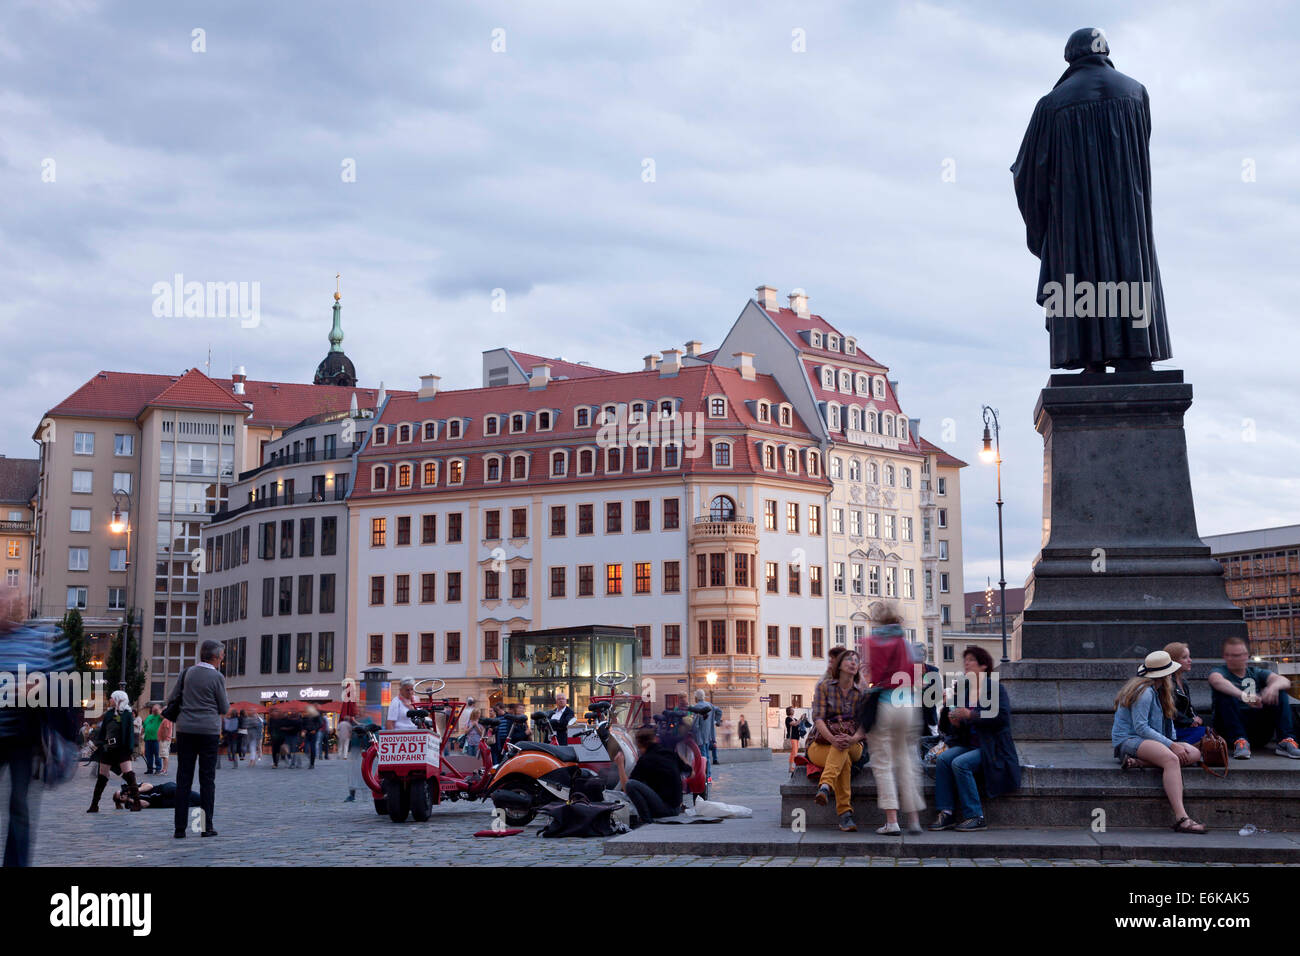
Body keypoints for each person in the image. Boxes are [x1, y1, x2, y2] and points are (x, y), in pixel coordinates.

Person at [1, 619, 77, 866]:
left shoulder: (35, 640)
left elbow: (61, 683)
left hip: (21, 736)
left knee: (19, 805)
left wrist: (38, 688)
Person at [1111, 650, 1205, 833]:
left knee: (1194, 753)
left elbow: (1166, 724)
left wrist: (1174, 743)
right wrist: (1172, 746)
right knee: (1172, 759)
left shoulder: (1160, 690)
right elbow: (1141, 728)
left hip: (1148, 741)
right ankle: (1182, 818)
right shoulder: (1144, 693)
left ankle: (1138, 763)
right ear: (1166, 674)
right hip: (1130, 740)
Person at [930, 646, 1022, 832]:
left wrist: (970, 715)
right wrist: (954, 721)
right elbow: (955, 729)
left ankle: (975, 815)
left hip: (993, 747)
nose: (966, 663)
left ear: (983, 665)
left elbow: (1001, 717)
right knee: (943, 760)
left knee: (960, 763)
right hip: (970, 744)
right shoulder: (965, 691)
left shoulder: (995, 688)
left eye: (971, 659)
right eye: (965, 660)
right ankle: (946, 812)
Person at [862, 604, 924, 835]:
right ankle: (915, 820)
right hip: (907, 703)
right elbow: (918, 673)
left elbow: (871, 675)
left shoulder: (870, 642)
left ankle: (892, 822)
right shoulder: (906, 643)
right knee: (907, 760)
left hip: (885, 703)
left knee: (883, 762)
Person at [165, 640, 229, 838]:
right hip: (208, 731)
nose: (223, 658)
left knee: (184, 779)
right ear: (216, 657)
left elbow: (171, 699)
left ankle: (179, 828)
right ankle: (204, 826)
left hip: (185, 730)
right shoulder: (217, 677)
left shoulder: (186, 673)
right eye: (222, 655)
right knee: (206, 780)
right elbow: (224, 708)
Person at [1208, 636, 1300, 759]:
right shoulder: (1220, 671)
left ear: (1246, 656)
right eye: (1228, 655)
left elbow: (1283, 681)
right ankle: (1239, 741)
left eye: (1236, 655)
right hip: (1229, 731)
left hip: (1259, 730)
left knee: (1279, 690)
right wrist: (1243, 696)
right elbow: (1216, 680)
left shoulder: (1255, 672)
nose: (1231, 659)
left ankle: (1285, 740)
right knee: (1224, 694)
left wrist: (1271, 689)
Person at [808, 646, 867, 832]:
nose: (853, 663)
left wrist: (853, 738)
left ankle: (825, 786)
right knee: (843, 757)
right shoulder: (824, 688)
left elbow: (866, 725)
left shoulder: (861, 693)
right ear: (839, 664)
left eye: (856, 661)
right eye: (849, 659)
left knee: (844, 748)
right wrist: (834, 739)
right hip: (821, 744)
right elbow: (818, 719)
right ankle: (845, 815)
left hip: (854, 743)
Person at [88, 691, 143, 813]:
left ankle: (137, 803)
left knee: (129, 775)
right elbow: (103, 730)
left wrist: (130, 750)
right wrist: (100, 744)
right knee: (102, 776)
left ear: (118, 699)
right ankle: (94, 805)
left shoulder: (127, 714)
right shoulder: (108, 714)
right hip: (108, 748)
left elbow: (129, 733)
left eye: (112, 698)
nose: (110, 700)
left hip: (122, 749)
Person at [624, 726, 690, 827]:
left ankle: (646, 820)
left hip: (665, 810)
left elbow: (626, 788)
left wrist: (620, 765)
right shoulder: (669, 753)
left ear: (639, 744)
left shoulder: (645, 760)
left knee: (631, 784)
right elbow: (690, 772)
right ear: (655, 739)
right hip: (676, 807)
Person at [1163, 642, 1206, 746]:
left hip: (1183, 727)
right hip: (1170, 729)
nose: (1190, 660)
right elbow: (1169, 710)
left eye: (1189, 657)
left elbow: (1189, 707)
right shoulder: (1167, 683)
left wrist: (1195, 718)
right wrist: (1190, 721)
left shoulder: (1183, 683)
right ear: (1173, 661)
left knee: (1207, 733)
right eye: (1184, 657)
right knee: (1203, 734)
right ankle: (1175, 749)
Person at [113, 780, 200, 810]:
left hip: (163, 789)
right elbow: (146, 804)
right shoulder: (130, 804)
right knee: (186, 803)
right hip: (162, 802)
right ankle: (202, 801)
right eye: (121, 796)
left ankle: (202, 798)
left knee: (183, 793)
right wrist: (130, 799)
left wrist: (135, 791)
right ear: (121, 800)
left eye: (121, 791)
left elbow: (149, 786)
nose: (122, 793)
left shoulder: (131, 787)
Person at [142, 705, 163, 775]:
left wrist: (159, 711)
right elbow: (144, 726)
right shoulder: (149, 717)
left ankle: (158, 769)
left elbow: (164, 716)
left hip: (156, 739)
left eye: (156, 709)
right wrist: (141, 733)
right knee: (148, 755)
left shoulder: (160, 717)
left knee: (157, 755)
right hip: (148, 739)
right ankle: (149, 769)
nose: (154, 710)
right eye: (154, 708)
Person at [784, 706, 800, 771]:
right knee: (794, 752)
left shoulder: (795, 719)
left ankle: (792, 767)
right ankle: (790, 767)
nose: (793, 711)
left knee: (795, 752)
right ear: (789, 711)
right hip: (792, 737)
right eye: (792, 710)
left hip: (796, 737)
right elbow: (795, 724)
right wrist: (801, 719)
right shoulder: (788, 719)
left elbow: (798, 724)